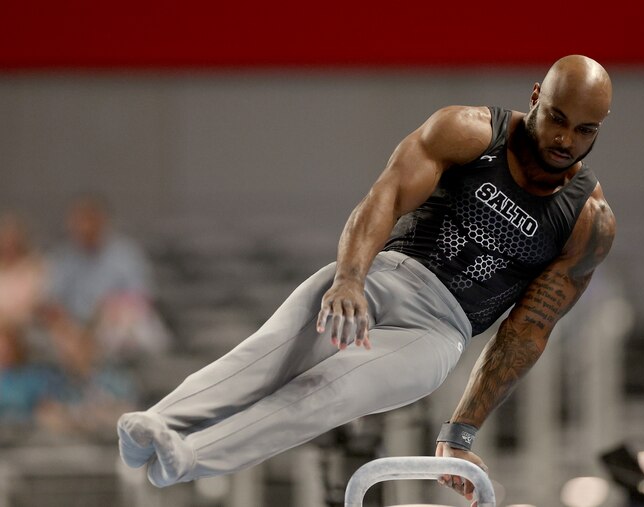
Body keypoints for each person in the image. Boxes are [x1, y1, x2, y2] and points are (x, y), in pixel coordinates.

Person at [117, 54, 615, 505]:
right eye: (556, 118)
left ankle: (187, 457)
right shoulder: (469, 132)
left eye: (584, 130)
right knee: (270, 354)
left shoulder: (587, 222)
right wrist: (350, 279)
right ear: (536, 96)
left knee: (328, 393)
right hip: (382, 276)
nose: (565, 140)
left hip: (437, 334)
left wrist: (461, 432)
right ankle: (157, 424)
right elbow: (387, 196)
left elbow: (526, 332)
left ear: (599, 127)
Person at [43, 195, 170, 363]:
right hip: (73, 326)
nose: (85, 227)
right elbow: (51, 302)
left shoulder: (125, 254)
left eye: (90, 220)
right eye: (80, 221)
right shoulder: (62, 258)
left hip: (114, 323)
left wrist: (109, 309)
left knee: (135, 328)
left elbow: (143, 296)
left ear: (103, 221)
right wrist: (69, 325)